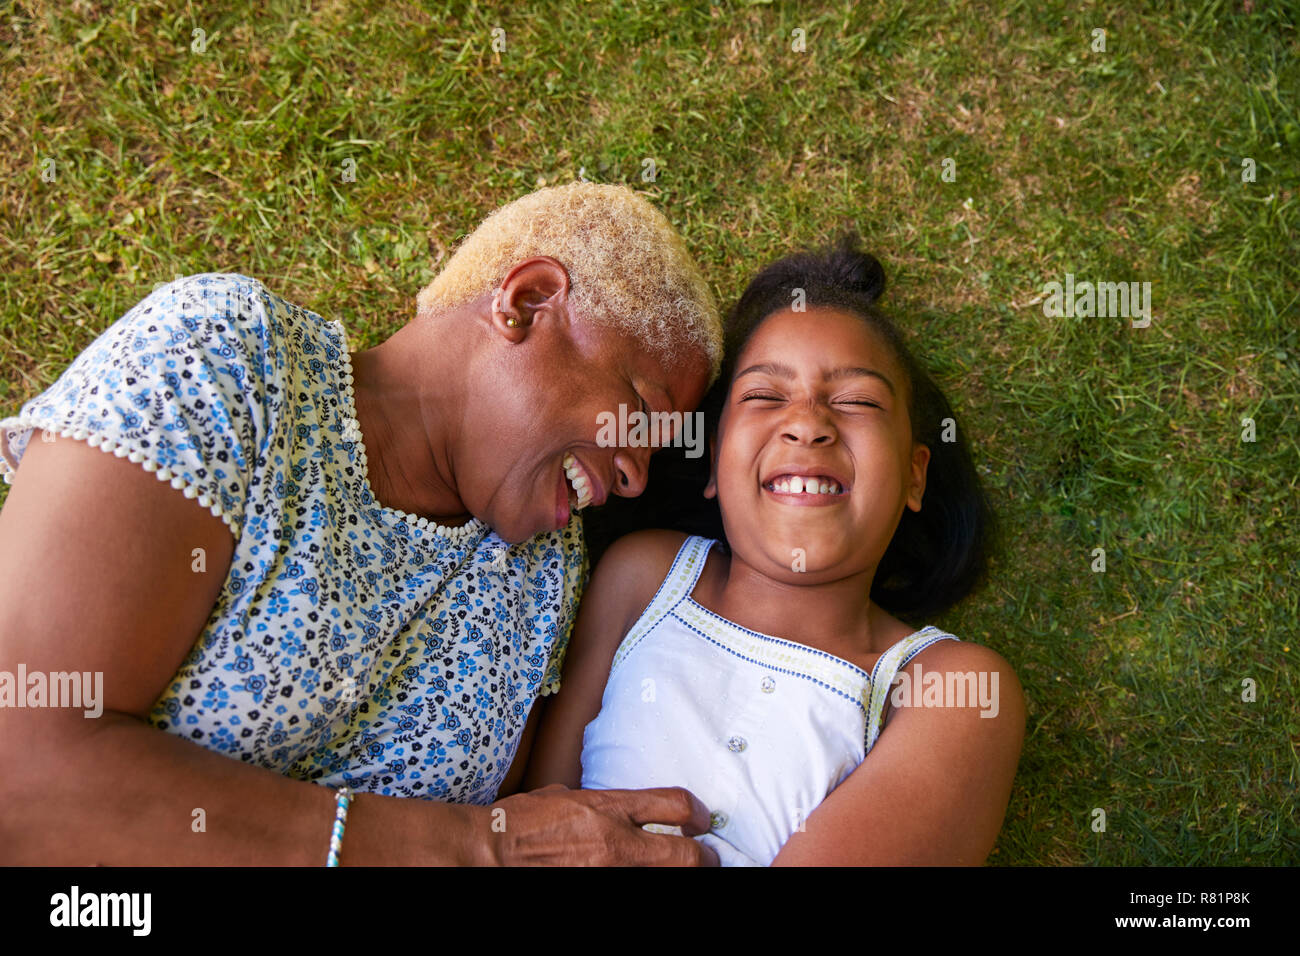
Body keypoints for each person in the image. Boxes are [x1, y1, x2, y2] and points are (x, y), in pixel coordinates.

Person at [0, 182, 726, 865]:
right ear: (528, 302)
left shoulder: (543, 578)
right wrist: (482, 848)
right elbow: (21, 770)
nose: (634, 473)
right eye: (640, 410)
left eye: (655, 453)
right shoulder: (227, 359)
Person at [525, 233, 1025, 865]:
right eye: (764, 396)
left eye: (857, 401)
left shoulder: (945, 687)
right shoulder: (644, 578)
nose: (808, 422)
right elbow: (540, 820)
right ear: (713, 464)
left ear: (915, 476)